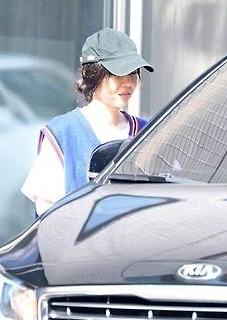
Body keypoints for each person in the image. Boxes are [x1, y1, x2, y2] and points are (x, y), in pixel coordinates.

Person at [21, 28, 154, 215]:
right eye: (118, 73)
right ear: (92, 74)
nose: (128, 82)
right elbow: (47, 213)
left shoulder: (147, 132)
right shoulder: (62, 133)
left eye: (133, 72)